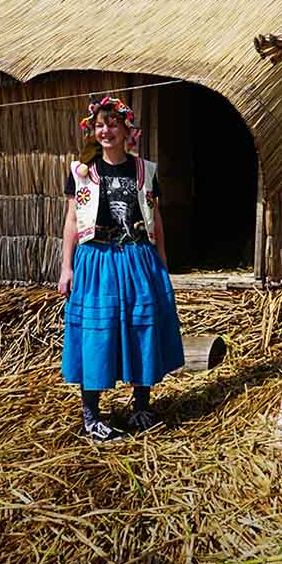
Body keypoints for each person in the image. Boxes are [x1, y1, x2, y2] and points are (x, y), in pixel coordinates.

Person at [58, 95, 183, 442]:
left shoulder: (145, 170)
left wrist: (162, 261)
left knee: (142, 328)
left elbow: (155, 218)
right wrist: (66, 268)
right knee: (98, 334)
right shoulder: (82, 173)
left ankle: (141, 406)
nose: (106, 130)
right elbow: (71, 219)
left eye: (112, 124)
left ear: (128, 130)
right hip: (97, 260)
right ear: (92, 132)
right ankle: (91, 415)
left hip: (137, 257)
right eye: (100, 125)